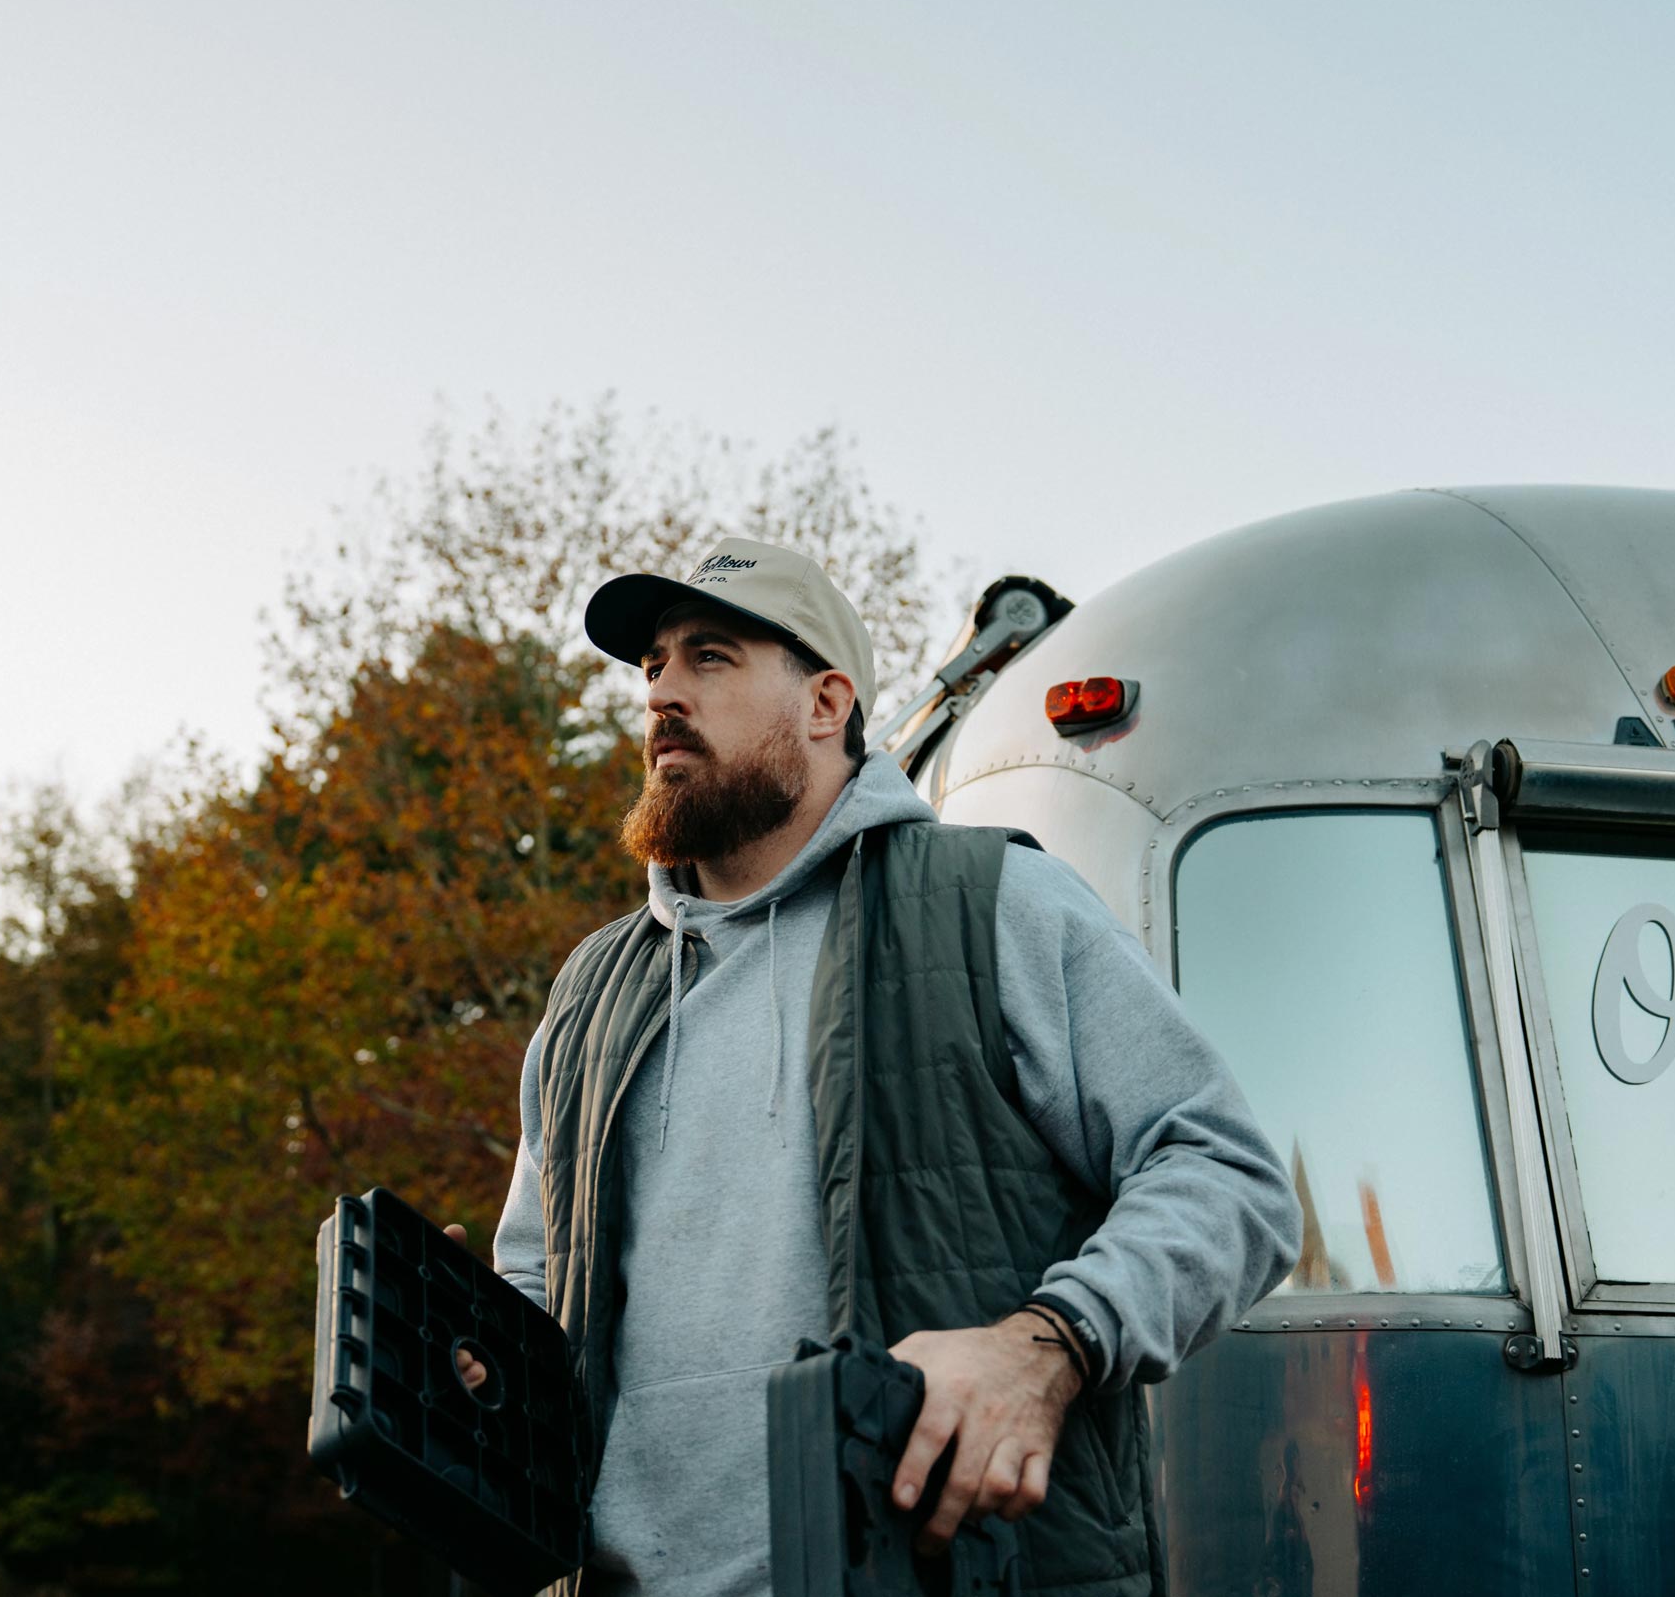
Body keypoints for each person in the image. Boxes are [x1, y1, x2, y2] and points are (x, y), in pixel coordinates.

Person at [467, 536, 1301, 1597]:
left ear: (824, 704)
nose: (664, 693)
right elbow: (540, 1283)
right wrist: (482, 1355)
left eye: (709, 657)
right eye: (653, 667)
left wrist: (1046, 1348)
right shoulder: (590, 995)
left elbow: (1229, 1181)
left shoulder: (989, 904)